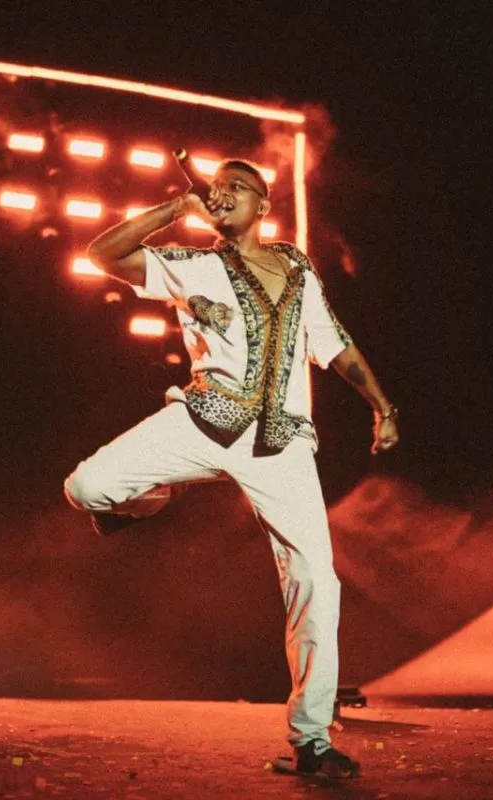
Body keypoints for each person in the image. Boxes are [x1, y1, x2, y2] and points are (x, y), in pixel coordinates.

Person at [63, 159, 398, 779]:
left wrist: (382, 405)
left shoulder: (297, 268)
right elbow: (101, 254)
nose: (220, 193)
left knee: (317, 582)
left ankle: (311, 740)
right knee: (85, 486)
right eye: (214, 187)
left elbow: (336, 344)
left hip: (282, 443)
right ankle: (150, 497)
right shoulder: (195, 265)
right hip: (205, 418)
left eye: (235, 185)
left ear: (264, 204)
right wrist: (173, 210)